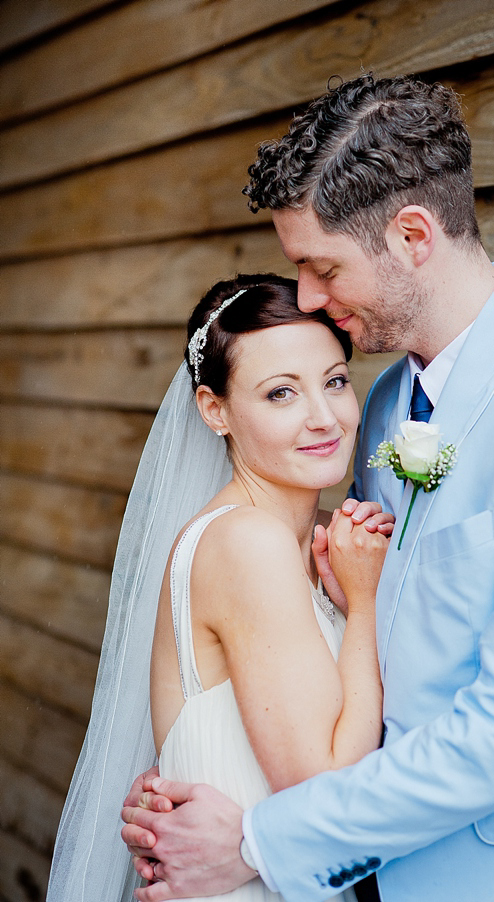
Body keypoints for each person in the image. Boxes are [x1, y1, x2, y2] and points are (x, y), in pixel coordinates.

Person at [121, 74, 494, 902]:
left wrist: (258, 841)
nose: (306, 297)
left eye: (321, 266)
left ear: (413, 235)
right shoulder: (378, 406)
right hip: (360, 873)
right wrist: (206, 758)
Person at [47, 273, 393, 901]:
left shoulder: (313, 543)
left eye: (335, 381)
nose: (325, 418)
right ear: (215, 409)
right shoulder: (246, 544)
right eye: (280, 393)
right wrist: (364, 606)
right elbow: (324, 788)